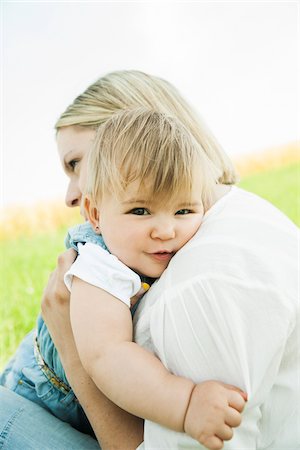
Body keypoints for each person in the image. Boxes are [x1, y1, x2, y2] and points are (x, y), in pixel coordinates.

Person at [0, 69, 298, 449]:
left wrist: (186, 404)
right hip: (42, 390)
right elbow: (107, 351)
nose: (70, 196)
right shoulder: (105, 257)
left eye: (76, 164)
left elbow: (105, 356)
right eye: (142, 211)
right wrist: (184, 402)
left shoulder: (205, 274)